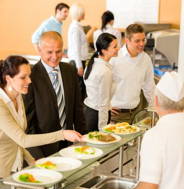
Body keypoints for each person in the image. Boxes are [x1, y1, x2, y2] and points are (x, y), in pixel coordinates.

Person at [0, 55, 82, 178]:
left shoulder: (18, 96)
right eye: (23, 77)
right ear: (8, 79)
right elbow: (23, 139)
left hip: (16, 167)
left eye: (29, 75)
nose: (29, 81)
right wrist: (62, 134)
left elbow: (17, 142)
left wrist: (33, 161)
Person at [24, 31, 86, 159]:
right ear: (39, 50)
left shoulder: (69, 70)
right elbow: (29, 123)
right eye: (49, 52)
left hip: (70, 143)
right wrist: (38, 156)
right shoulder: (30, 77)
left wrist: (84, 139)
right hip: (44, 148)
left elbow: (78, 109)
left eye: (58, 51)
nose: (54, 56)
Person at [110, 23, 155, 124]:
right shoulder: (115, 58)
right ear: (127, 40)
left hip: (137, 114)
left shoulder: (145, 59)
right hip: (116, 115)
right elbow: (101, 84)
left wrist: (155, 109)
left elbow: (149, 87)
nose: (142, 44)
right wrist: (106, 106)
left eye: (143, 40)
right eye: (137, 41)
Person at [83, 33, 119, 132]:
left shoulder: (92, 64)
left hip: (88, 111)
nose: (118, 48)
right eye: (114, 47)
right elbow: (103, 102)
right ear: (104, 50)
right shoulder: (105, 71)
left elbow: (96, 95)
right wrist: (103, 128)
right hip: (97, 117)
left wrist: (108, 107)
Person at [67, 3, 89, 101]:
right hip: (77, 62)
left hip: (79, 61)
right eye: (83, 13)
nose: (84, 14)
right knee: (79, 90)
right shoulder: (75, 28)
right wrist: (79, 66)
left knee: (81, 89)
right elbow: (76, 48)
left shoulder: (78, 26)